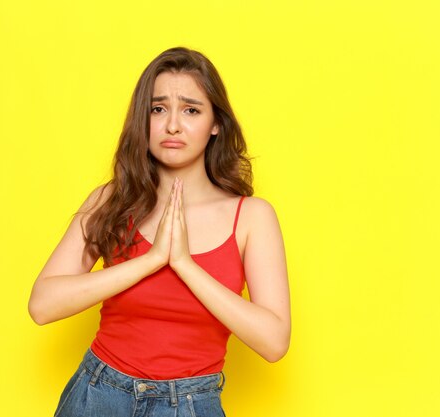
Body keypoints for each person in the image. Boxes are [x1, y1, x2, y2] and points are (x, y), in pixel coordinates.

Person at [28, 46, 291, 417]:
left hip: (191, 404)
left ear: (216, 123)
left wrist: (184, 264)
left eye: (191, 110)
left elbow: (274, 341)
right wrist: (151, 260)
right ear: (143, 120)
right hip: (99, 394)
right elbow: (42, 305)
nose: (172, 125)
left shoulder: (251, 217)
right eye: (158, 109)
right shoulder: (111, 200)